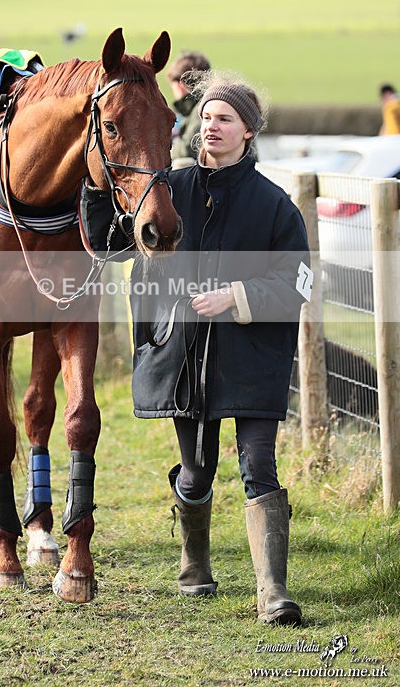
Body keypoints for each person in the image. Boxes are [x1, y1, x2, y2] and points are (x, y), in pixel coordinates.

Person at [81, 73, 311, 625]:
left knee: (258, 463)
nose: (211, 126)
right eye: (206, 117)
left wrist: (237, 296)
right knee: (197, 470)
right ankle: (194, 563)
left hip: (254, 356)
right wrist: (94, 187)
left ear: (248, 132)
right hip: (181, 356)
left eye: (224, 119)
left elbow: (299, 284)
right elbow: (111, 246)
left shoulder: (276, 206)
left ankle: (273, 593)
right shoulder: (170, 190)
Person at [166, 50, 211, 168]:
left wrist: (161, 152)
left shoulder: (202, 109)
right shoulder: (193, 108)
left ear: (180, 85)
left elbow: (188, 148)